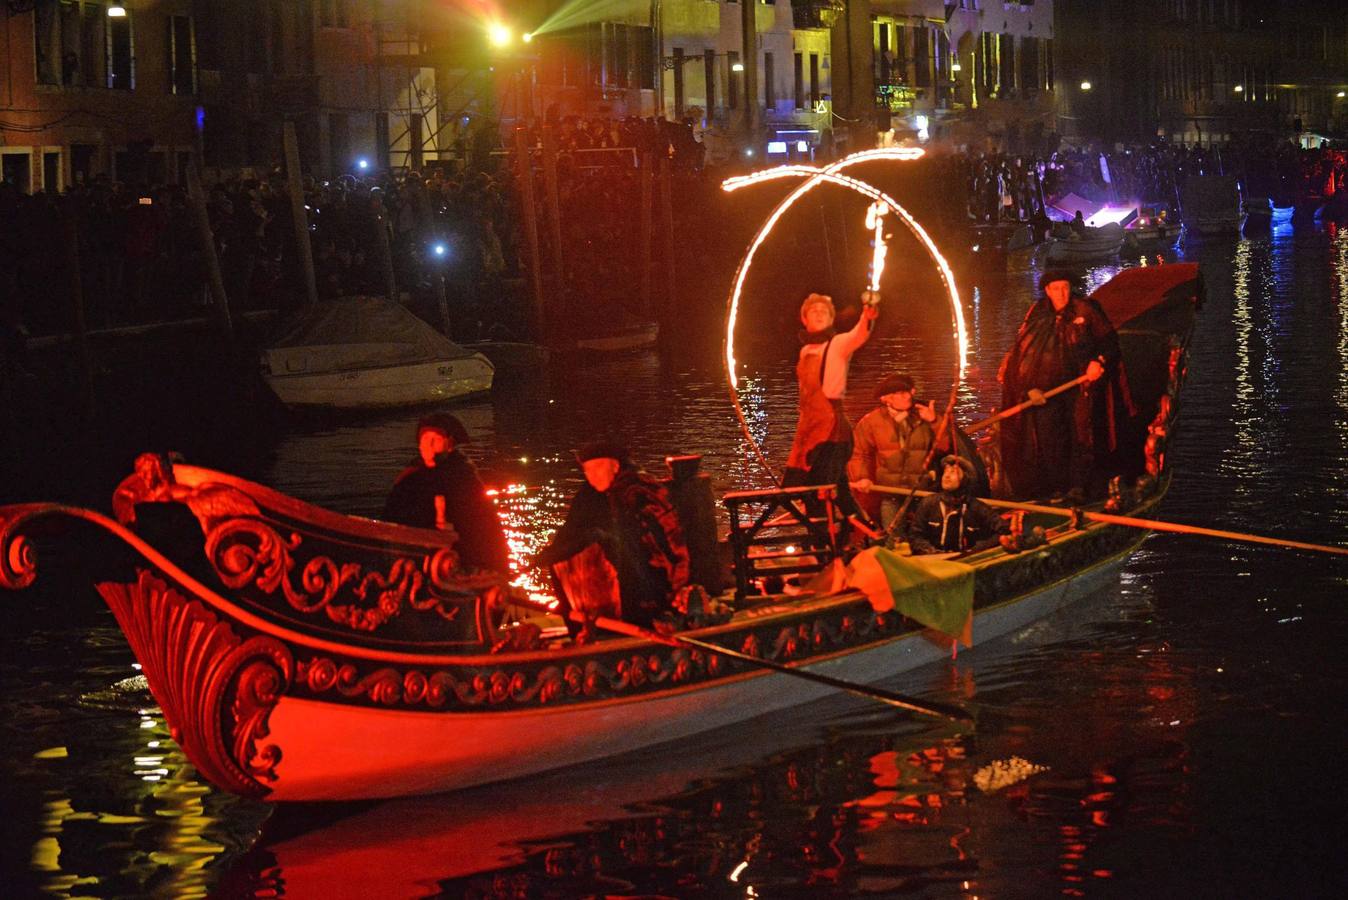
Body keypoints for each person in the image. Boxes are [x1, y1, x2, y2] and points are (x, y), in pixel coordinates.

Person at [997, 270, 1133, 502]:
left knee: (1082, 435)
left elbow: (1109, 341)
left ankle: (1080, 487)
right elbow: (1025, 352)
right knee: (1051, 439)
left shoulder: (1086, 309)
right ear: (1047, 291)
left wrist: (1098, 361)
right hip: (1047, 391)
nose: (1061, 293)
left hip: (1080, 387)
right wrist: (1029, 386)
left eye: (1065, 288)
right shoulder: (1037, 313)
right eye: (1056, 289)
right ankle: (1057, 488)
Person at [535, 440, 690, 638]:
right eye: (587, 471)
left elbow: (664, 544)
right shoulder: (587, 497)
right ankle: (586, 625)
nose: (592, 476)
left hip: (645, 584)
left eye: (598, 468)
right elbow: (570, 533)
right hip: (600, 590)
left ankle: (636, 619)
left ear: (615, 466)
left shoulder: (640, 493)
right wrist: (551, 555)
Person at [782, 290, 879, 524]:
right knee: (829, 494)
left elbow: (859, 335)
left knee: (819, 490)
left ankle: (824, 543)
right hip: (809, 432)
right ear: (804, 319)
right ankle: (869, 536)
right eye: (813, 311)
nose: (818, 313)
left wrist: (868, 314)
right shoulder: (805, 352)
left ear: (831, 319)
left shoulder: (837, 345)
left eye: (824, 311)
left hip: (833, 435)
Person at [382, 413, 511, 573]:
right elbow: (392, 522)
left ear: (449, 444)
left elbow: (483, 527)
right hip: (418, 563)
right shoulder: (410, 479)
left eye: (434, 440)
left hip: (461, 564)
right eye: (424, 440)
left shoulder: (464, 479)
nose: (428, 445)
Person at [847, 373, 941, 529]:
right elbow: (859, 453)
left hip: (922, 492)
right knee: (892, 536)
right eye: (902, 393)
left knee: (926, 535)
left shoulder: (925, 416)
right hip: (890, 493)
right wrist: (861, 477)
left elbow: (945, 446)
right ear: (886, 399)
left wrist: (934, 422)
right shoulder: (871, 422)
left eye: (910, 391)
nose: (909, 396)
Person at [900, 455, 1008, 555]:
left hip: (963, 564)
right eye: (945, 471)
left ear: (965, 479)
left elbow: (1004, 529)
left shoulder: (975, 507)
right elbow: (915, 535)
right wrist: (931, 551)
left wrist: (978, 549)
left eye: (953, 472)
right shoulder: (928, 503)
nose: (946, 475)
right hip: (933, 564)